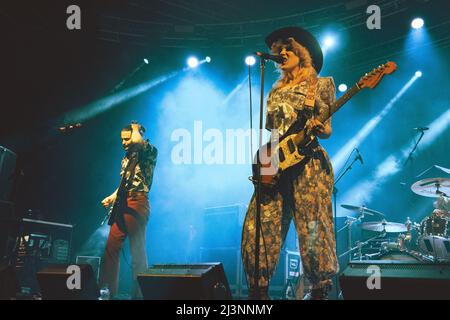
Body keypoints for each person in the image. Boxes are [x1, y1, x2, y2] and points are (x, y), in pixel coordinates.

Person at [241, 27, 339, 300]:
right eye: (278, 50)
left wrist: (319, 128)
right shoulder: (274, 92)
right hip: (276, 163)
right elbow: (273, 134)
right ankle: (257, 293)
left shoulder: (320, 85)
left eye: (288, 48)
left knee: (312, 230)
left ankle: (319, 290)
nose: (281, 53)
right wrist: (266, 161)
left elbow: (328, 128)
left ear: (303, 53)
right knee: (259, 227)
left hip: (308, 165)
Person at [100, 121, 157, 299]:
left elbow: (139, 142)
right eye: (122, 140)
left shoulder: (149, 151)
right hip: (123, 203)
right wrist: (112, 196)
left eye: (127, 138)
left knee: (137, 253)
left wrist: (135, 127)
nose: (124, 142)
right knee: (111, 247)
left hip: (138, 202)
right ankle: (108, 292)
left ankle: (139, 296)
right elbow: (123, 185)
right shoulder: (126, 158)